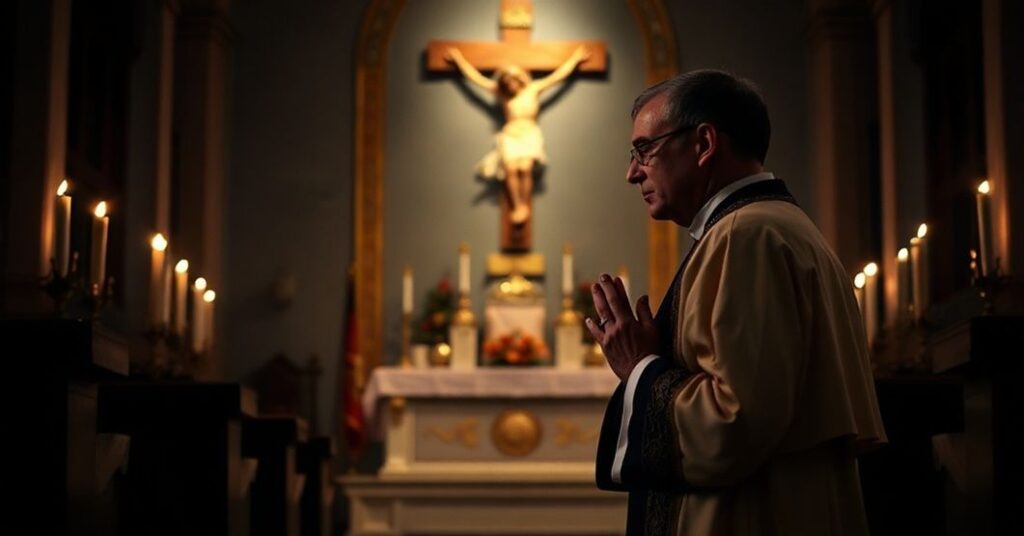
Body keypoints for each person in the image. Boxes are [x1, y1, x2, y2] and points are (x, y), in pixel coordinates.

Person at [585, 70, 887, 535]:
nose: (632, 172)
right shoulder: (774, 227)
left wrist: (640, 367)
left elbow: (733, 424)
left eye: (645, 150)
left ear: (704, 143)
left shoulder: (747, 235)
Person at [446, 45, 589, 225]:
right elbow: (476, 79)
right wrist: (459, 60)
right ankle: (517, 206)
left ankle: (524, 206)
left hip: (529, 132)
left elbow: (557, 77)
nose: (510, 84)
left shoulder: (534, 89)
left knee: (525, 168)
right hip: (511, 134)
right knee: (511, 169)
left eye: (513, 80)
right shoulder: (503, 95)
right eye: (506, 82)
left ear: (519, 78)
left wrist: (575, 60)